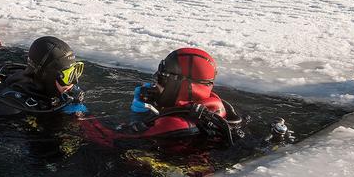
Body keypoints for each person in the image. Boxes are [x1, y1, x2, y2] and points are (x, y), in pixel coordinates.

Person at [81, 47, 242, 149]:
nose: (155, 83)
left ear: (184, 86)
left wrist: (80, 116)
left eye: (162, 78)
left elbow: (111, 138)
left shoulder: (173, 123)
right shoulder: (217, 106)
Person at [0, 36, 86, 117]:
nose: (74, 81)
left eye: (76, 71)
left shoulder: (55, 92)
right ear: (46, 76)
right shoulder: (14, 108)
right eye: (68, 75)